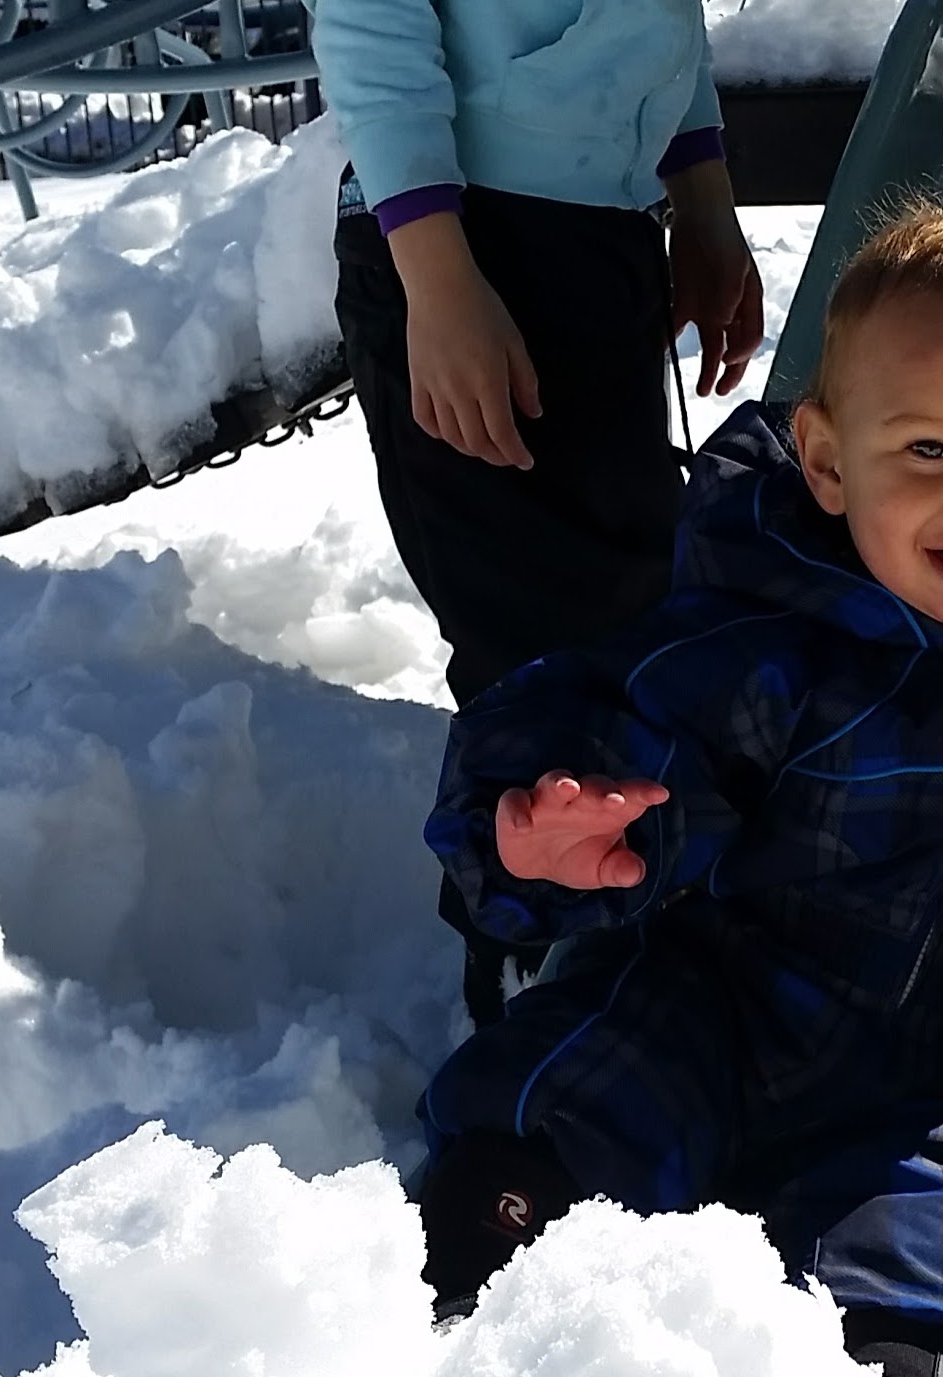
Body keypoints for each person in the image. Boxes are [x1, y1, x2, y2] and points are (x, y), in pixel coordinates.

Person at [412, 204, 943, 1377]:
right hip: (700, 1005)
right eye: (926, 451)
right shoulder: (767, 643)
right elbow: (600, 723)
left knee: (931, 1272)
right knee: (555, 1122)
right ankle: (473, 1297)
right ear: (825, 459)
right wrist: (538, 836)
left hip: (915, 1089)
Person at [310, 0, 765, 1024]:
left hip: (594, 235)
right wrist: (437, 276)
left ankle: (619, 905)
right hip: (462, 242)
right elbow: (368, 27)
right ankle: (522, 952)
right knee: (528, 631)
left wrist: (700, 198)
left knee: (632, 600)